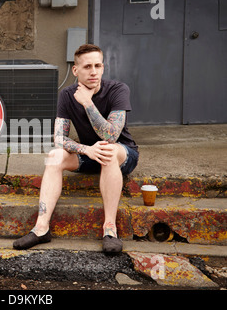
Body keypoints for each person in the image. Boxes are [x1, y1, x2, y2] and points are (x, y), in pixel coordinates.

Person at [13, 44, 139, 253]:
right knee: (54, 156)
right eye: (87, 66)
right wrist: (86, 150)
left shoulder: (118, 89)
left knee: (108, 149)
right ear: (75, 70)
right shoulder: (67, 95)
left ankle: (110, 229)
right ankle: (41, 228)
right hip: (91, 152)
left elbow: (111, 135)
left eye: (98, 65)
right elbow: (59, 138)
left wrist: (88, 103)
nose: (93, 71)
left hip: (122, 154)